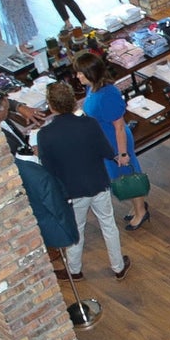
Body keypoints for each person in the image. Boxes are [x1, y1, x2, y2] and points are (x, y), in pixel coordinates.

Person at [37, 81, 132, 281]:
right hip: (98, 183)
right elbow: (106, 151)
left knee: (77, 229)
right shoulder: (89, 124)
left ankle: (74, 270)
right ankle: (118, 266)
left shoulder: (45, 135)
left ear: (51, 106)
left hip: (72, 191)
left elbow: (48, 169)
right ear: (73, 102)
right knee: (108, 224)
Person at [72, 52, 149, 230]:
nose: (78, 76)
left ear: (91, 73)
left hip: (116, 142)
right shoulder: (92, 88)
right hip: (105, 142)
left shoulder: (107, 95)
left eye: (81, 73)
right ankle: (137, 205)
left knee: (128, 175)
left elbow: (119, 127)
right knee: (120, 175)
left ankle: (141, 211)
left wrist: (122, 153)